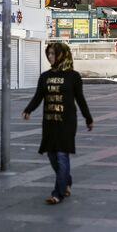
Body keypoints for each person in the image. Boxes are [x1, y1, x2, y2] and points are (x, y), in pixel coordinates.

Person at [22, 43, 93, 205]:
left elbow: (80, 99)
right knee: (52, 155)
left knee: (62, 155)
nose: (50, 56)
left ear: (62, 55)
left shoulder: (73, 76)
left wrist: (88, 118)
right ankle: (66, 180)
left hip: (67, 122)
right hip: (49, 122)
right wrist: (28, 109)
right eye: (49, 53)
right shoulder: (44, 76)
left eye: (53, 53)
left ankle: (58, 193)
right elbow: (38, 96)